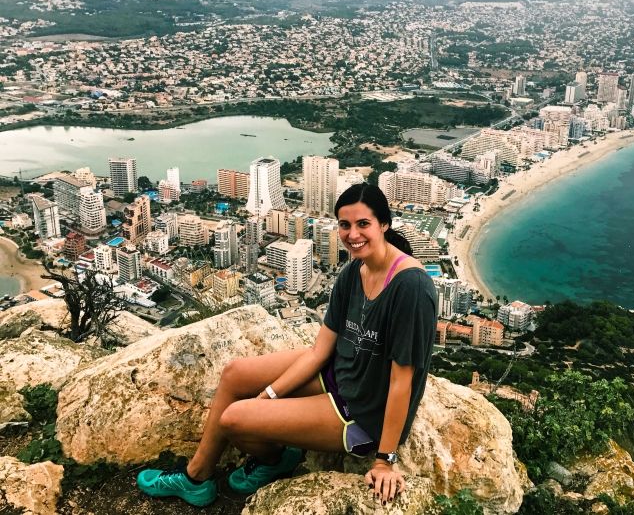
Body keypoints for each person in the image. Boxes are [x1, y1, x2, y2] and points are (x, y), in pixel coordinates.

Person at [136, 183, 438, 508]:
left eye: (363, 224)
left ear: (384, 224)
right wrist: (270, 395)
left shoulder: (411, 288)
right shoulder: (354, 271)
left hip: (363, 412)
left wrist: (384, 460)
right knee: (235, 374)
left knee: (234, 418)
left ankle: (275, 459)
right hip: (338, 371)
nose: (353, 234)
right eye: (345, 224)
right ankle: (197, 477)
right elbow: (319, 351)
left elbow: (401, 382)